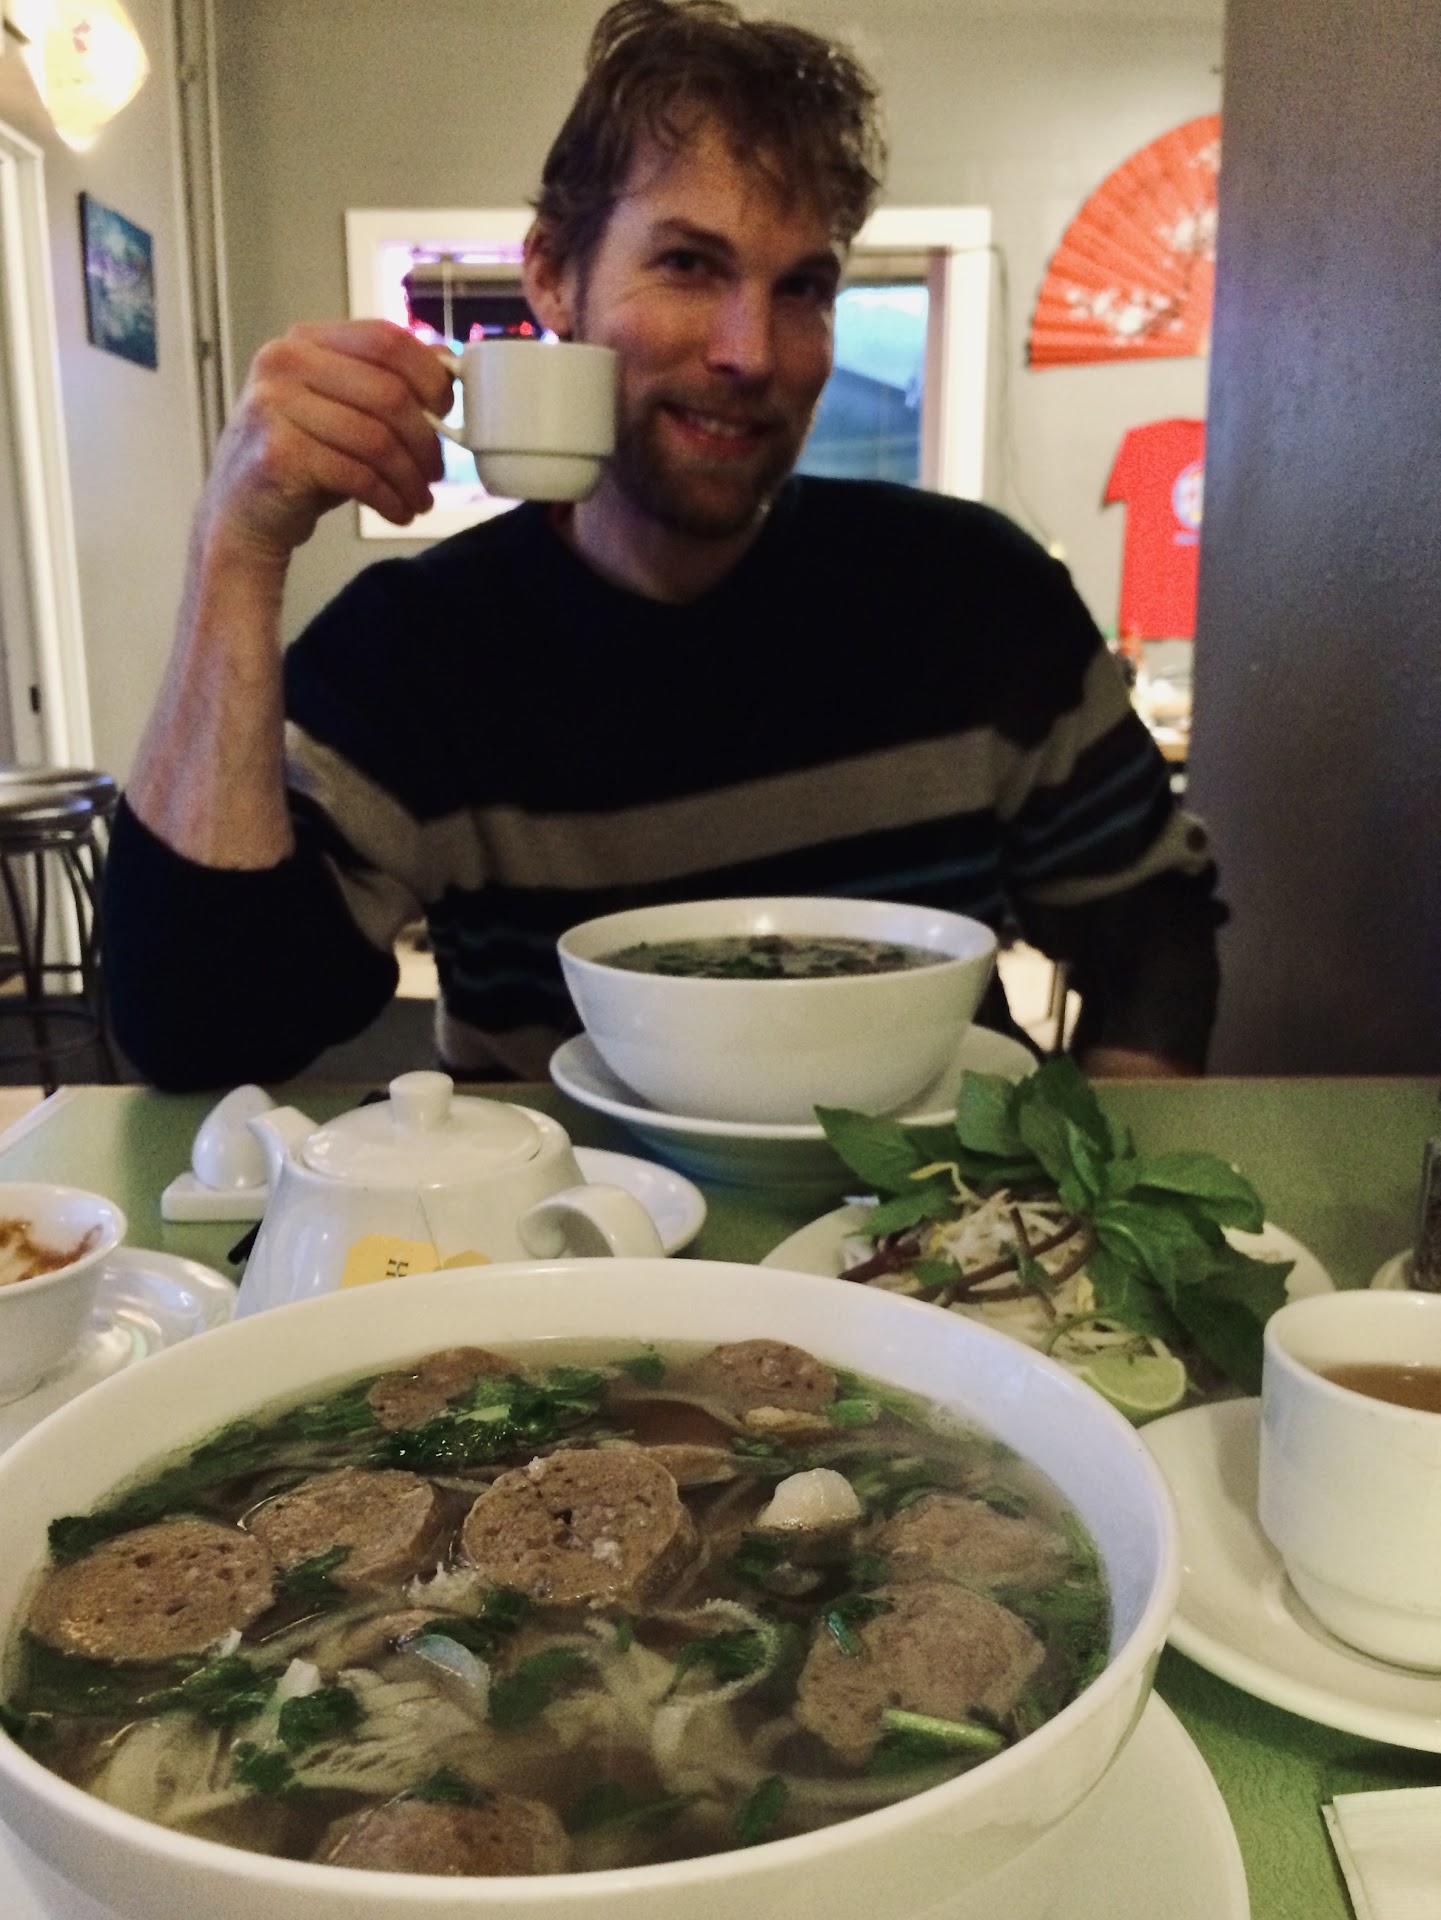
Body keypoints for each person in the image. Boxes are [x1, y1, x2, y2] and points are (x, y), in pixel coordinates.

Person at [106, 0, 1222, 1094]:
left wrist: (1087, 1187)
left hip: (925, 1198)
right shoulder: (418, 653)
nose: (751, 352)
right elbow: (200, 1028)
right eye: (689, 264)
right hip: (570, 1205)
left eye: (802, 287)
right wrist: (236, 548)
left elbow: (1151, 933)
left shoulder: (981, 598)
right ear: (553, 276)